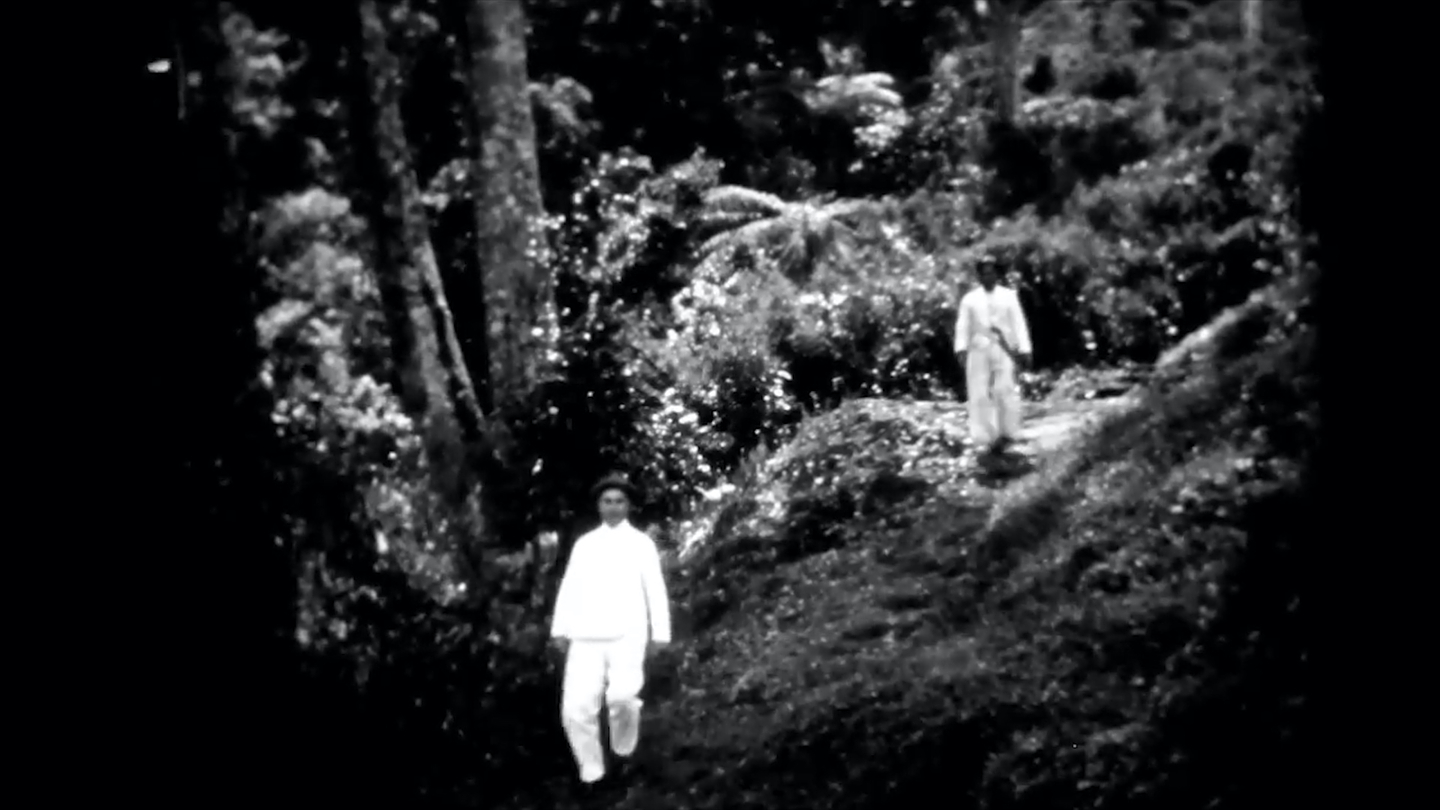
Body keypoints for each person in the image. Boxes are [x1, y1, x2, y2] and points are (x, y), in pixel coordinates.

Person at [550, 472, 672, 793]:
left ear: (628, 506)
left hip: (628, 633)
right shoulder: (585, 544)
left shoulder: (642, 544)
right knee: (575, 709)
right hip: (585, 635)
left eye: (619, 501)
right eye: (608, 501)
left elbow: (655, 590)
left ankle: (623, 746)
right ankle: (591, 767)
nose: (614, 507)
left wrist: (661, 633)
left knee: (621, 697)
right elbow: (571, 586)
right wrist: (560, 629)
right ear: (599, 506)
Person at [954, 255, 1033, 452]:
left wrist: (1024, 349)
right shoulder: (970, 299)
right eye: (984, 273)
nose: (988, 277)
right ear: (979, 276)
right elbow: (963, 325)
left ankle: (1009, 431)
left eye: (991, 273)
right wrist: (961, 348)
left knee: (1005, 388)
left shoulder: (1009, 296)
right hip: (978, 348)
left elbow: (1018, 323)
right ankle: (984, 435)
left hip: (1003, 348)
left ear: (997, 275)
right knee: (979, 391)